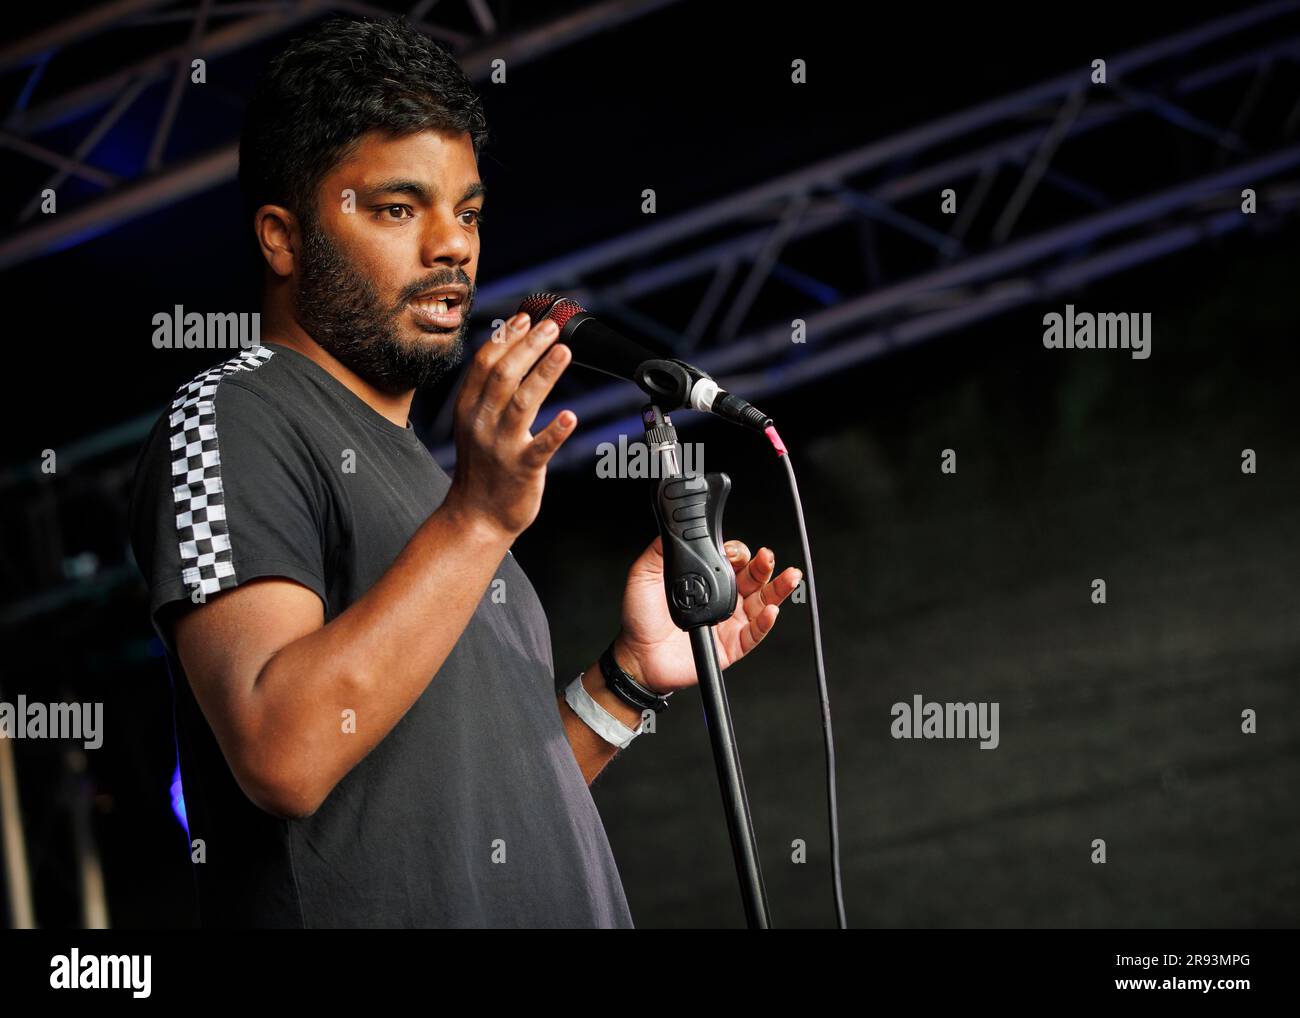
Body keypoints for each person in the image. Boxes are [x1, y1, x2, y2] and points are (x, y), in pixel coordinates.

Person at [128, 15, 800, 929]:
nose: (454, 245)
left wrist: (628, 681)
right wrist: (478, 520)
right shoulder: (235, 414)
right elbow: (283, 753)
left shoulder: (427, 482)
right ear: (282, 239)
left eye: (469, 212)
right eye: (400, 209)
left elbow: (479, 809)